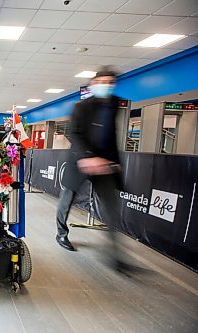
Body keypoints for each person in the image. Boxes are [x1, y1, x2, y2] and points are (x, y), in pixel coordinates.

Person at [55, 66, 123, 261]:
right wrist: (87, 156)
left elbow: (111, 136)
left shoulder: (114, 104)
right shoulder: (82, 107)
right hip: (80, 160)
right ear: (93, 84)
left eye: (110, 83)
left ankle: (115, 253)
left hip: (105, 164)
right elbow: (73, 133)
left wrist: (115, 162)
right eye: (101, 82)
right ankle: (61, 234)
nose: (106, 86)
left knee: (111, 206)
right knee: (66, 200)